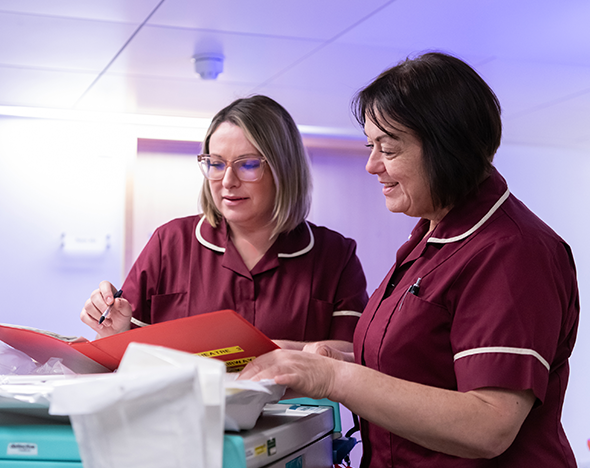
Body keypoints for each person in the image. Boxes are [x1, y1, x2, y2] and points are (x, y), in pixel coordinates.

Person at [240, 53, 580, 467]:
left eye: (388, 147)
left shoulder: (514, 250)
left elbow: (489, 424)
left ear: (446, 145)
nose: (371, 165)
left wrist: (333, 379)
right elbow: (423, 363)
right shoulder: (432, 235)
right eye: (371, 145)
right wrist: (317, 358)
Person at [80, 95, 368, 351]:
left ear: (284, 168)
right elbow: (128, 348)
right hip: (185, 411)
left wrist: (277, 352)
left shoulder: (334, 255)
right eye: (216, 164)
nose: (228, 182)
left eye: (248, 164)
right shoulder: (170, 242)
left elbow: (353, 355)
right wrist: (114, 329)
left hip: (293, 412)